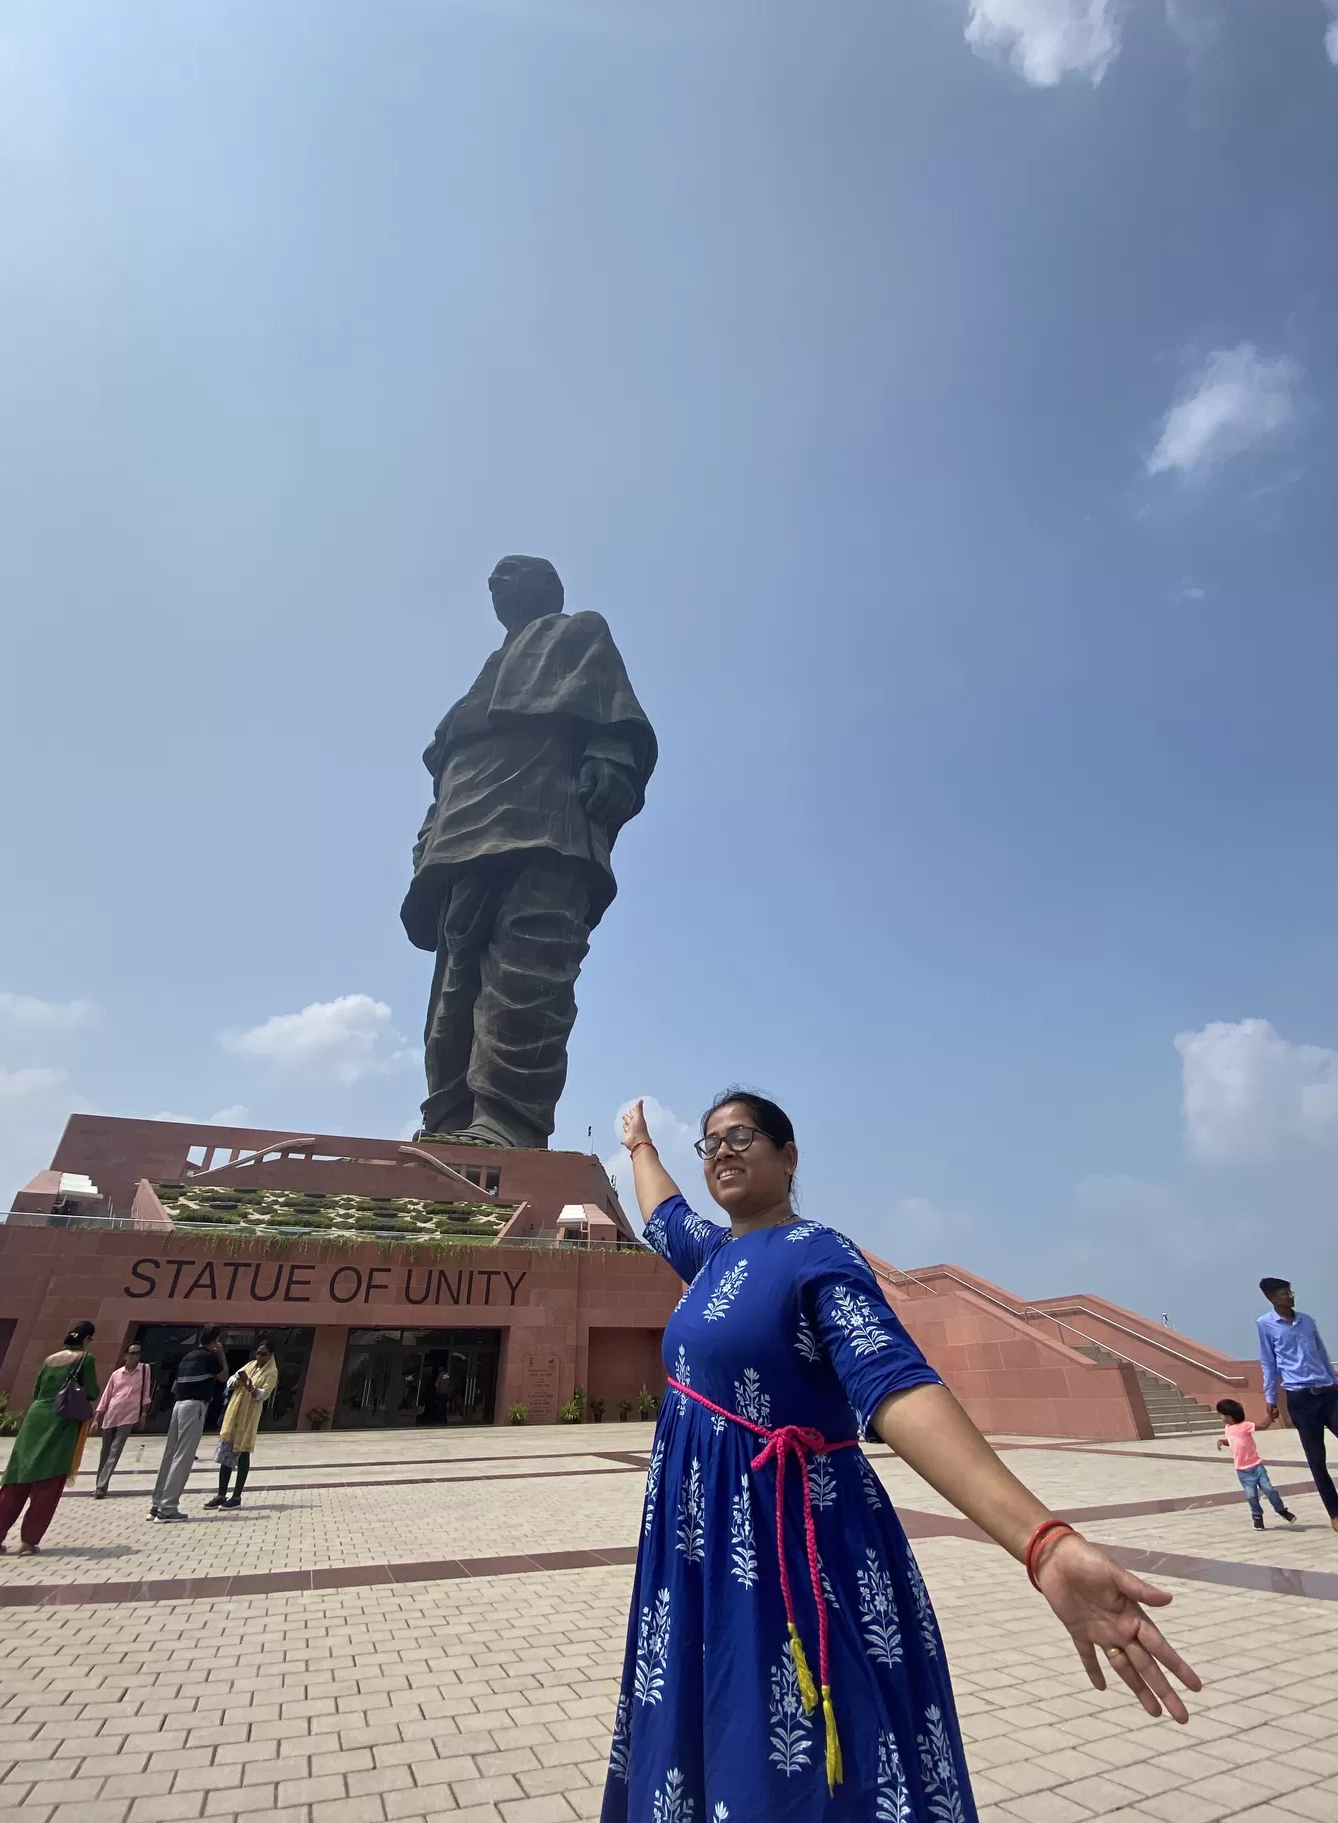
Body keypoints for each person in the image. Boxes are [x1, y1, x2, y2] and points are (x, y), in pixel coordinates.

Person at [604, 1093, 1201, 1822]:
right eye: (710, 1144)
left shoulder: (816, 1251)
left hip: (792, 1552)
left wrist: (1040, 1542)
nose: (723, 1151)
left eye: (741, 1136)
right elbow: (660, 1212)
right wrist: (639, 1143)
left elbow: (893, 1382)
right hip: (700, 1551)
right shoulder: (715, 1253)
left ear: (788, 1157)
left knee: (808, 1766)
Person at [401, 555, 657, 1148]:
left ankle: (506, 1122)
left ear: (550, 587)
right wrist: (429, 832)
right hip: (465, 829)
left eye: (512, 574)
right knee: (454, 985)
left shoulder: (579, 632)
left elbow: (614, 714)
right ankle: (450, 1119)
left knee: (530, 965)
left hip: (547, 817)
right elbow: (446, 767)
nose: (497, 585)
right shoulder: (485, 673)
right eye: (492, 578)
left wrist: (612, 754)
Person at [0, 1322, 98, 1556]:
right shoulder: (85, 1359)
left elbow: (36, 1391)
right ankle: (28, 1542)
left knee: (16, 1479)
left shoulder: (49, 1360)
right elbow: (92, 1391)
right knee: (48, 1481)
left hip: (35, 1418)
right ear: (87, 1339)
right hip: (61, 1419)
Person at [1257, 1276, 1338, 1533]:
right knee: (1317, 1459)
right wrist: (1270, 1399)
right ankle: (1335, 1512)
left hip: (1328, 1393)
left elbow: (1322, 1352)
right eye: (1283, 1293)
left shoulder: (1307, 1320)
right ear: (1272, 1298)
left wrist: (1334, 1381)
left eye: (1290, 1292)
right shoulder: (1265, 1325)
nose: (1290, 1296)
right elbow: (1268, 1364)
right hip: (1300, 1399)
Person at [150, 1325, 226, 1522]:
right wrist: (221, 1355)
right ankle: (168, 1508)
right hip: (195, 1405)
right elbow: (223, 1376)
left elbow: (175, 1388)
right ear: (215, 1340)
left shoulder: (188, 1357)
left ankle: (156, 1504)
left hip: (179, 1405)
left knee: (169, 1454)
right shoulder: (208, 1357)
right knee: (183, 1456)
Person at [206, 1340, 278, 1509]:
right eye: (258, 1353)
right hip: (235, 1411)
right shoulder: (251, 1365)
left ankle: (236, 1496)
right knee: (226, 1453)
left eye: (264, 1354)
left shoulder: (272, 1372)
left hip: (249, 1415)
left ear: (270, 1355)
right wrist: (236, 1382)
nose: (259, 1356)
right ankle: (221, 1494)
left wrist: (250, 1387)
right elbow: (232, 1378)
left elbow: (264, 1394)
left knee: (242, 1452)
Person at [1214, 1399, 1296, 1530]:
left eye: (1222, 1414)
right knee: (1251, 1496)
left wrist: (1270, 1417)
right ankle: (1257, 1517)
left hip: (1256, 1466)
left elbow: (1262, 1426)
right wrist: (1223, 1442)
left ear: (1230, 1416)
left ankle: (1281, 1510)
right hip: (1242, 1471)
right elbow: (1234, 1441)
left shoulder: (1245, 1426)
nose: (1221, 1417)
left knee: (1269, 1490)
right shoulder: (1228, 1429)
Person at [92, 1341, 152, 1497]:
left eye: (138, 1353)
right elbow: (106, 1396)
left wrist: (143, 1414)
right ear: (126, 1355)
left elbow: (145, 1394)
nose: (135, 1356)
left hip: (129, 1416)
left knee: (115, 1450)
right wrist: (97, 1418)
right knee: (105, 1451)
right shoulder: (116, 1374)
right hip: (111, 1414)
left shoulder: (144, 1370)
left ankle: (101, 1486)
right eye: (132, 1353)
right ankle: (100, 1484)